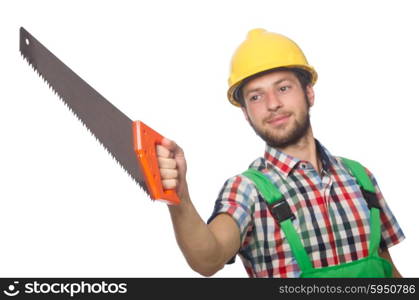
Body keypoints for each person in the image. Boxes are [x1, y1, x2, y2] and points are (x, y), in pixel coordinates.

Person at [156, 28, 404, 278]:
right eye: (256, 96)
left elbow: (388, 270)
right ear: (246, 113)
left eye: (283, 88)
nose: (272, 104)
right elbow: (208, 260)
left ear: (309, 93)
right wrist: (180, 199)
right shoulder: (247, 190)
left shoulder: (360, 177)